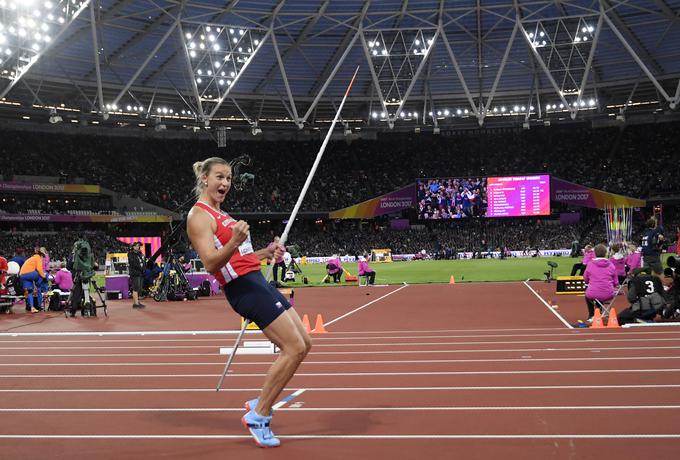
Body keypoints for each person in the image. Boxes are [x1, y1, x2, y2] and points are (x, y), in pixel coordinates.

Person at [186, 157, 311, 448]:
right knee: (292, 348)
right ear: (204, 178)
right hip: (243, 289)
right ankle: (259, 414)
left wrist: (267, 252)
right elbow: (210, 263)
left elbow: (242, 259)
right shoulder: (199, 216)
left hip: (255, 280)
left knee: (304, 343)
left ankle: (262, 398)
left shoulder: (223, 214)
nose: (225, 184)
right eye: (219, 177)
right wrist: (233, 241)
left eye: (228, 179)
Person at [583, 244, 618, 322]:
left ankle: (592, 314)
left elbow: (585, 279)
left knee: (588, 294)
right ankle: (599, 311)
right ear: (605, 253)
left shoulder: (590, 264)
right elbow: (616, 282)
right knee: (601, 290)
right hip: (608, 293)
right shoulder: (611, 265)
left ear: (595, 253)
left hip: (593, 293)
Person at [19, 247, 47, 313]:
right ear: (41, 255)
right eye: (43, 257)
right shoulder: (38, 258)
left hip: (22, 275)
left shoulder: (32, 258)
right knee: (44, 275)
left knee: (30, 292)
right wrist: (44, 278)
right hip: (29, 274)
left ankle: (32, 307)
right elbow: (39, 270)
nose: (43, 259)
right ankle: (45, 290)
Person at [127, 242, 146, 309]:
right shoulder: (130, 254)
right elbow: (133, 264)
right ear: (132, 247)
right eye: (135, 246)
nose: (137, 247)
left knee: (139, 288)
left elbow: (143, 262)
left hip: (140, 273)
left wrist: (143, 268)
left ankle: (137, 302)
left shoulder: (140, 254)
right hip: (135, 273)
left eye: (138, 246)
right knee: (135, 288)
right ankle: (135, 303)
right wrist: (140, 268)